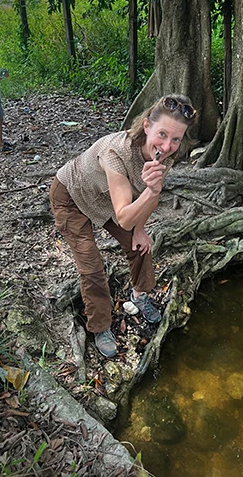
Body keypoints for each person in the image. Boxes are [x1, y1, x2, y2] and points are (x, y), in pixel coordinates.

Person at [49, 95, 197, 357]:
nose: (168, 145)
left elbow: (137, 211)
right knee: (92, 266)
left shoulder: (165, 156)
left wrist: (140, 229)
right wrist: (152, 193)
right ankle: (100, 326)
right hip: (71, 196)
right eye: (162, 134)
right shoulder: (116, 152)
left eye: (176, 139)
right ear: (147, 125)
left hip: (106, 199)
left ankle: (139, 295)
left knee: (140, 245)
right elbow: (127, 214)